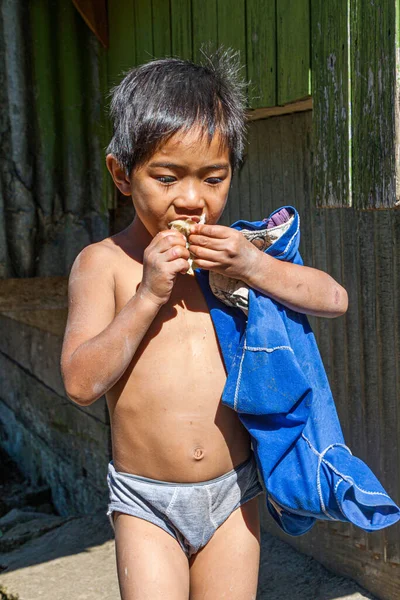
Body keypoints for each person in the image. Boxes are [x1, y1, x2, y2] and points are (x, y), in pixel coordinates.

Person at [60, 48, 348, 600]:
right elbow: (80, 382)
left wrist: (255, 265)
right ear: (122, 174)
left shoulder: (238, 257)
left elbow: (333, 300)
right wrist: (146, 295)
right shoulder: (105, 265)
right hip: (148, 502)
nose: (192, 201)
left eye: (213, 178)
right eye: (167, 178)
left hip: (234, 493)